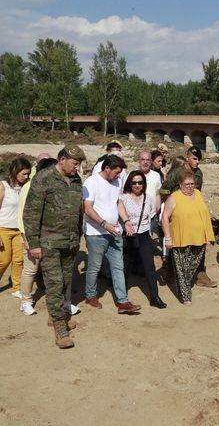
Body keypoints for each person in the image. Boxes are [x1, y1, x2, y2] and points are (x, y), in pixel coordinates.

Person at [23, 145, 86, 349]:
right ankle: (60, 328)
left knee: (66, 281)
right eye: (75, 163)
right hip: (48, 243)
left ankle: (56, 315)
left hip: (70, 242)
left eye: (79, 164)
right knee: (54, 283)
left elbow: (79, 210)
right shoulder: (43, 178)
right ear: (62, 160)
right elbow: (31, 213)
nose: (77, 168)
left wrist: (78, 235)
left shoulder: (76, 181)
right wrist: (33, 243)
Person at [82, 155, 141, 314]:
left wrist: (126, 220)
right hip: (96, 233)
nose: (117, 176)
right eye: (116, 172)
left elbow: (118, 202)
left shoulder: (117, 181)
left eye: (119, 173)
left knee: (118, 267)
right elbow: (87, 208)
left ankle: (123, 302)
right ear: (106, 168)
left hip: (115, 232)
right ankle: (90, 295)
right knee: (94, 267)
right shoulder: (92, 182)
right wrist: (104, 224)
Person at [159, 146, 215, 288]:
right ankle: (171, 272)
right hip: (178, 214)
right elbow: (164, 189)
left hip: (193, 214)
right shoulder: (178, 172)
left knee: (199, 242)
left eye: (199, 160)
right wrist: (172, 202)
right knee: (178, 246)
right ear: (187, 157)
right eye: (195, 159)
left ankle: (200, 274)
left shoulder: (199, 174)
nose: (197, 162)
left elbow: (198, 194)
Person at [118, 171, 166, 309]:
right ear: (129, 184)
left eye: (140, 182)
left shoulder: (148, 198)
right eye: (134, 182)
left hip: (144, 235)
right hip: (129, 235)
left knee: (149, 267)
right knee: (126, 266)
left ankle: (154, 297)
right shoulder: (124, 198)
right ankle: (122, 295)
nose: (137, 185)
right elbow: (120, 215)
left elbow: (150, 215)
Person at [0, 156, 32, 298]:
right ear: (14, 171)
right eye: (23, 174)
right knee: (4, 260)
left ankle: (17, 287)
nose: (26, 177)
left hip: (19, 230)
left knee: (19, 260)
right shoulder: (2, 186)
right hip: (3, 229)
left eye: (28, 174)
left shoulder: (26, 187)